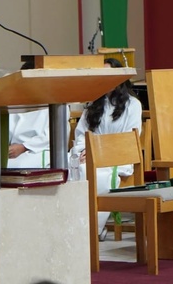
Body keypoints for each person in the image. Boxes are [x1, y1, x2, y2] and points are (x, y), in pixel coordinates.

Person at [69, 58, 142, 238]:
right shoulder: (93, 105)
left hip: (116, 158)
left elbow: (129, 139)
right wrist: (84, 151)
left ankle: (93, 229)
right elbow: (81, 135)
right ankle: (74, 226)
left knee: (92, 172)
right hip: (89, 156)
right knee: (69, 168)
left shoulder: (132, 105)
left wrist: (97, 153)